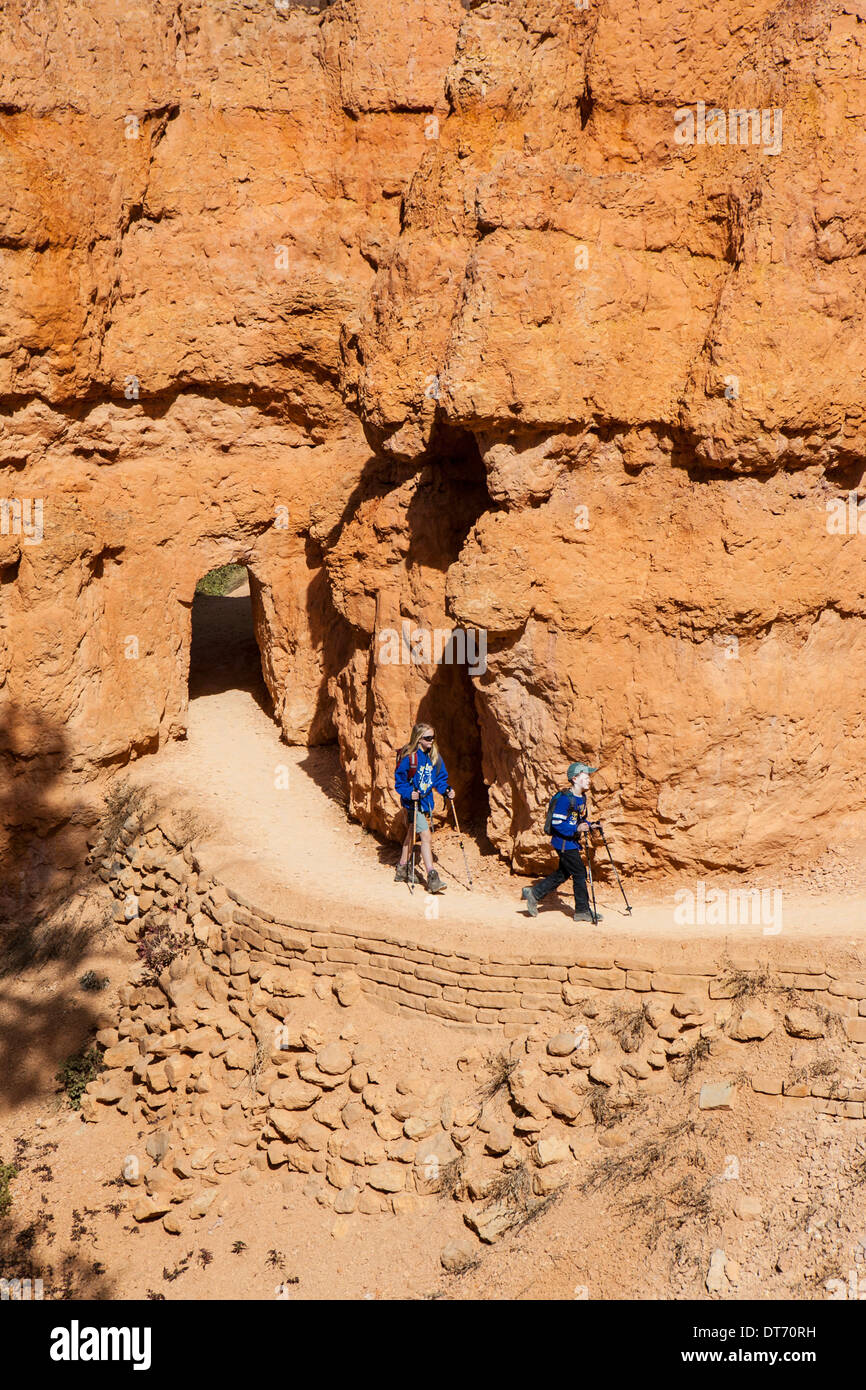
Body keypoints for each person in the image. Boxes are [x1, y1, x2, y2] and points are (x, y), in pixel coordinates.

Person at [521, 761, 603, 923]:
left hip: (571, 842)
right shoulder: (565, 800)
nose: (589, 779)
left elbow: (577, 818)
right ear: (574, 779)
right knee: (579, 873)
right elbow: (557, 824)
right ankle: (582, 911)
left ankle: (534, 893)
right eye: (585, 776)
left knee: (564, 873)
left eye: (588, 776)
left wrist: (589, 824)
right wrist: (577, 829)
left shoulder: (582, 798)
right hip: (564, 843)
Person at [394, 722, 454, 893]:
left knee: (411, 834)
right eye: (428, 738)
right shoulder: (410, 758)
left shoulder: (434, 756)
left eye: (433, 737)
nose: (432, 741)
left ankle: (402, 868)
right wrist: (408, 793)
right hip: (413, 804)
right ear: (419, 739)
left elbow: (439, 780)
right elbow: (400, 782)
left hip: (425, 803)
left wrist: (446, 790)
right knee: (425, 836)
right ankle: (432, 877)